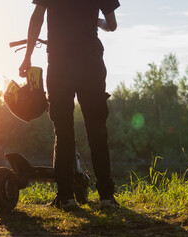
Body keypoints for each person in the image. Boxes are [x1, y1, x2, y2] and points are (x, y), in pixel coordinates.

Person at [19, 0, 120, 208]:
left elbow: (37, 16)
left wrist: (27, 56)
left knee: (63, 131)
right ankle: (106, 197)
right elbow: (112, 24)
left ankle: (66, 197)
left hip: (59, 63)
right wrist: (97, 22)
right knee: (97, 129)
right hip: (90, 62)